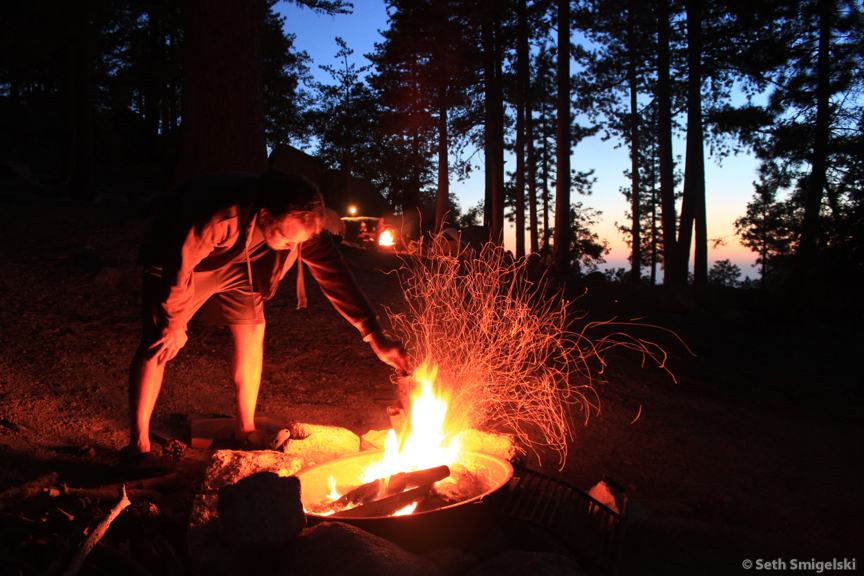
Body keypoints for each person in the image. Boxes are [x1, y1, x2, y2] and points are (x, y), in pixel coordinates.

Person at [125, 170, 408, 463]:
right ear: (264, 216)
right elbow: (179, 264)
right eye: (287, 240)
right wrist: (173, 324)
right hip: (182, 262)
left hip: (243, 266)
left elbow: (336, 277)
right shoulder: (221, 218)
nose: (292, 247)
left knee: (252, 330)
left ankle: (245, 430)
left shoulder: (301, 226)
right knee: (159, 341)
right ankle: (138, 446)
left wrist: (374, 333)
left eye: (296, 243)